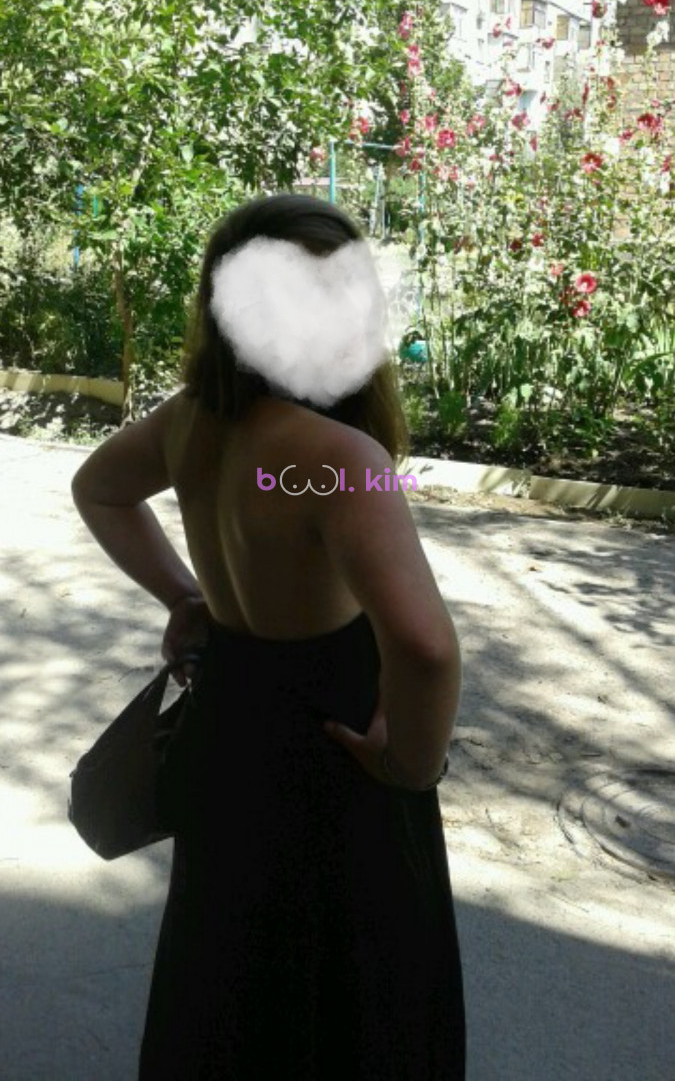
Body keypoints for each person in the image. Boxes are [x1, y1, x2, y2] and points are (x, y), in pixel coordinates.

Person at [70, 192, 466, 1079]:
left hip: (231, 715)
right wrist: (412, 764)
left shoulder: (191, 419)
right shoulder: (339, 461)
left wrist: (184, 596)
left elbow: (99, 490)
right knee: (353, 980)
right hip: (332, 741)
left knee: (230, 961)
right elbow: (425, 648)